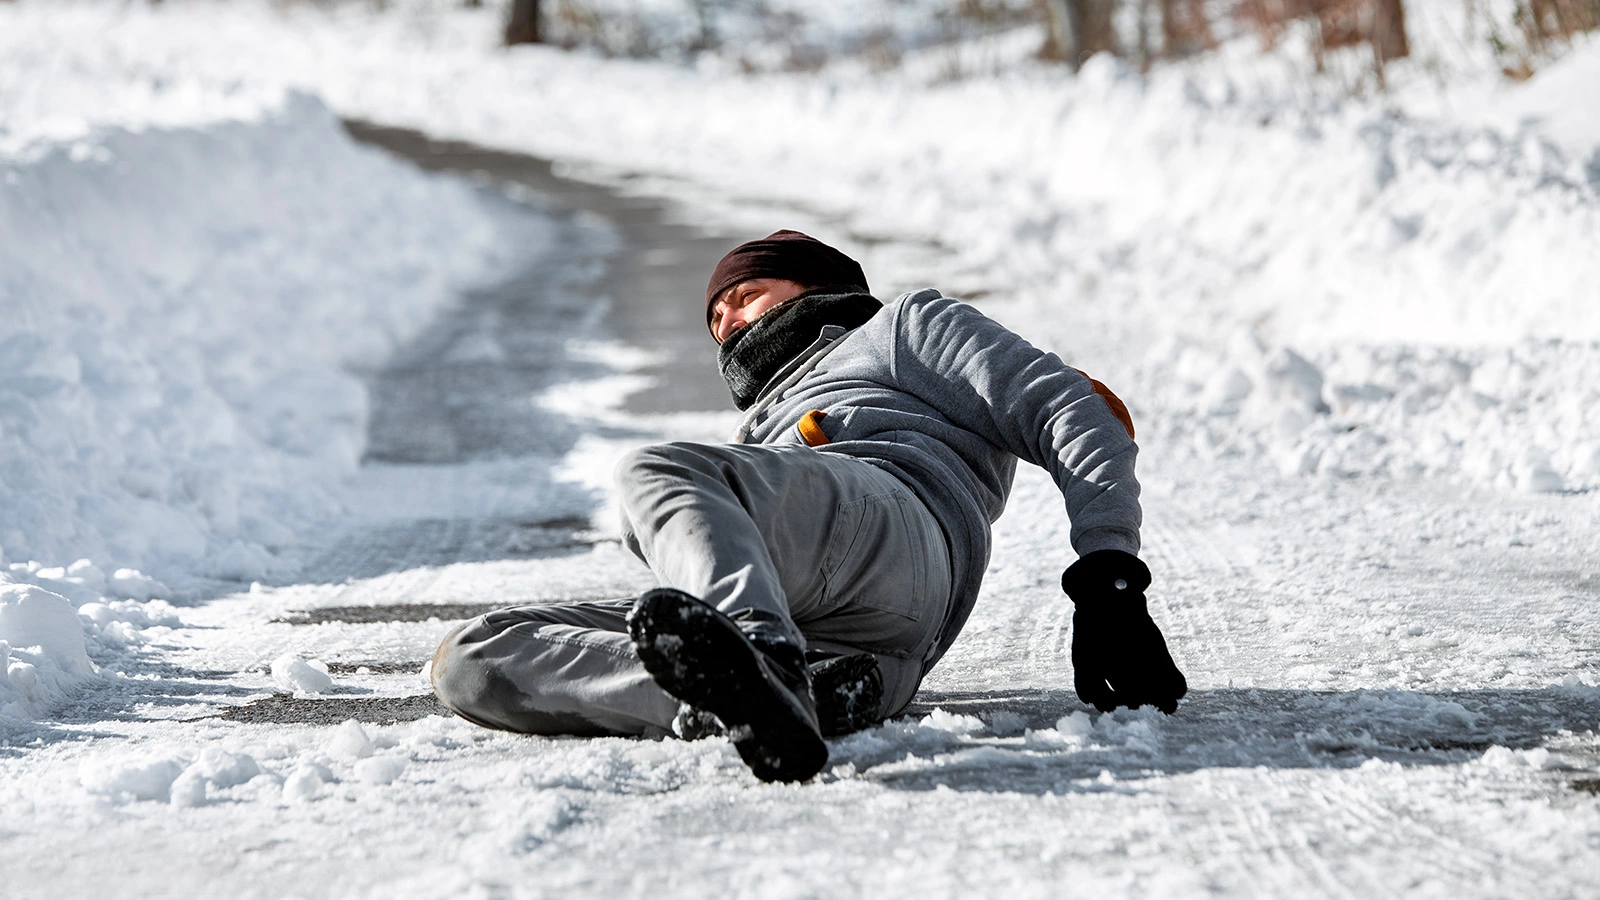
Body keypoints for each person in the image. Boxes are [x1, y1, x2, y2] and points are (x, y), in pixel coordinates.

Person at [429, 230, 1187, 783]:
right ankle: (755, 696)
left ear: (813, 285)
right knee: (473, 657)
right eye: (714, 320)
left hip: (898, 524)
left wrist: (1109, 576)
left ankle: (761, 656)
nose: (725, 323)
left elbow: (1073, 408)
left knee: (654, 472)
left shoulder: (903, 330)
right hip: (865, 640)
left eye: (742, 296)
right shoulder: (756, 428)